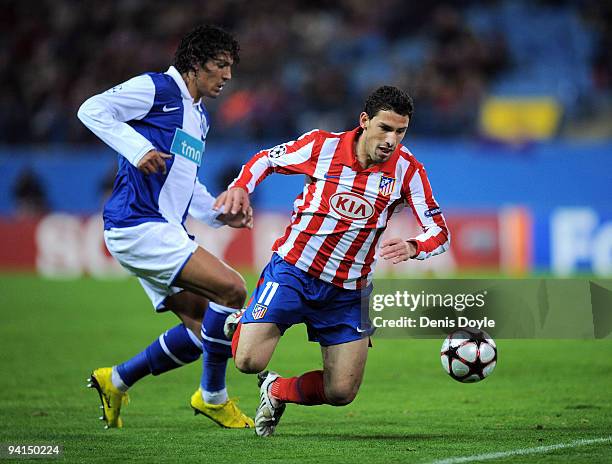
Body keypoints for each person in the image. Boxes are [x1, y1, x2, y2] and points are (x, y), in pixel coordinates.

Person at [216, 85, 450, 436]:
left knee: (341, 392)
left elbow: (439, 230)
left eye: (400, 131)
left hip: (348, 292)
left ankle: (276, 391)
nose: (392, 139)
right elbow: (266, 159)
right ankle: (246, 320)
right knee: (248, 361)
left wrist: (416, 247)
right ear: (364, 120)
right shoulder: (322, 146)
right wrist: (241, 187)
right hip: (294, 271)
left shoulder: (408, 171)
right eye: (385, 128)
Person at [77, 25, 254, 429]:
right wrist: (137, 149)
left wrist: (217, 214)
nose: (227, 76)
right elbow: (91, 109)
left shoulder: (199, 118)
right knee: (233, 289)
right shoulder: (157, 89)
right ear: (194, 64)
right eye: (220, 66)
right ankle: (212, 397)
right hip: (137, 223)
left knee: (202, 330)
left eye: (231, 67)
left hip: (161, 228)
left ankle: (116, 379)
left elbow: (186, 184)